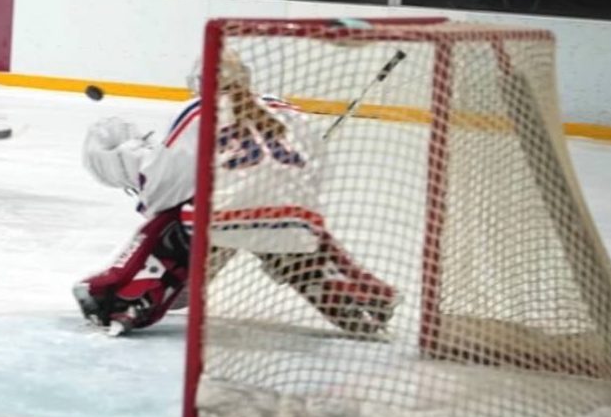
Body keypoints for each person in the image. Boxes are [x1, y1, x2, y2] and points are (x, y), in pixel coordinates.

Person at [73, 51, 397, 336]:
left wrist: (148, 196)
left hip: (226, 219)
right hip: (290, 219)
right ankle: (362, 295)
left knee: (175, 221)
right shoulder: (286, 109)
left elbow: (167, 181)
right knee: (286, 226)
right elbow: (313, 168)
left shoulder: (200, 110)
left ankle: (129, 297)